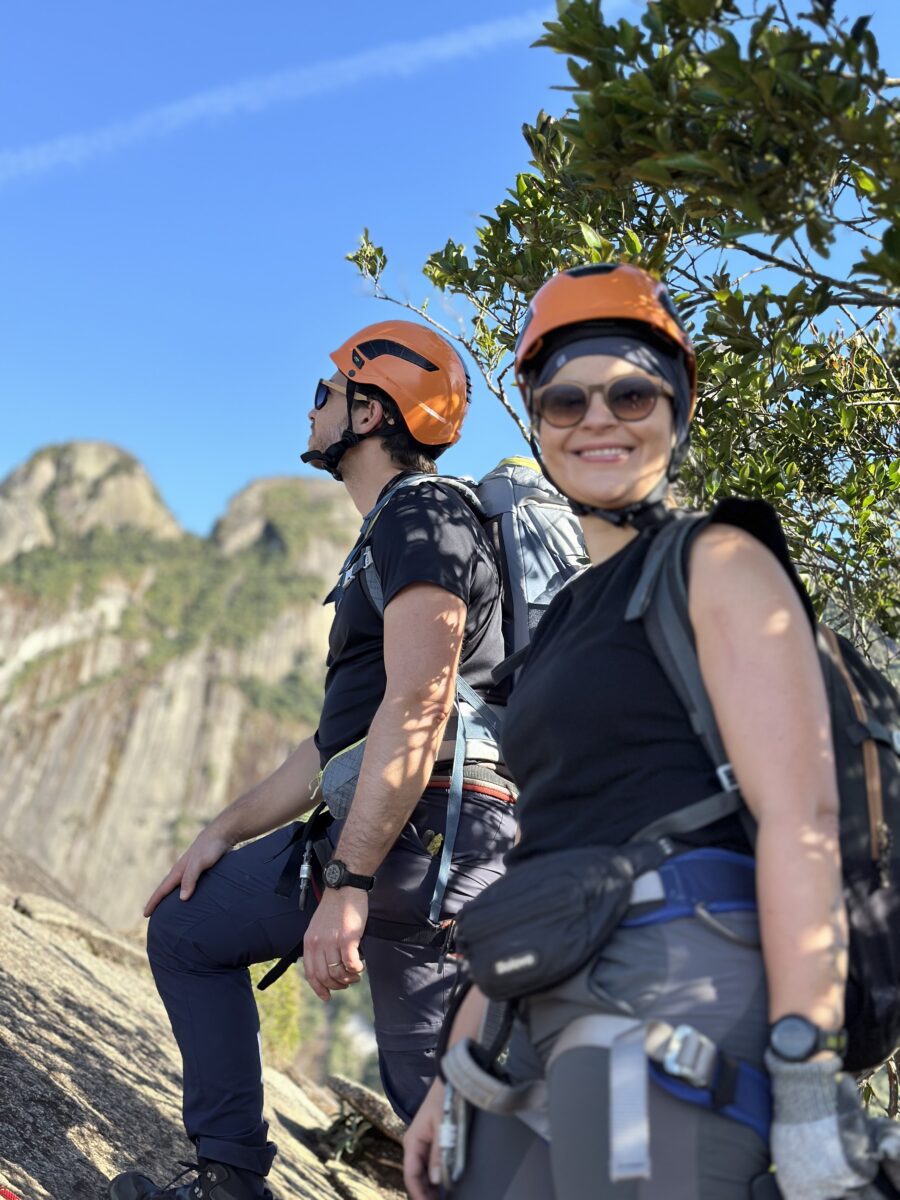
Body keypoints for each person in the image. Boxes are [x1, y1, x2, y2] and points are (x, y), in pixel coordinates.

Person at [404, 264, 865, 1200]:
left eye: (631, 392)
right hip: (544, 994)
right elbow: (551, 847)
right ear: (535, 416)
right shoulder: (568, 615)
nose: (598, 418)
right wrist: (453, 1069)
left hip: (664, 984)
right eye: (566, 398)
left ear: (677, 406)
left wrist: (808, 1068)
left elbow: (801, 817)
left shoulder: (716, 560)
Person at [108, 319, 516, 1200]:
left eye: (328, 392)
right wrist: (219, 830)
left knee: (186, 934)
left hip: (417, 840)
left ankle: (230, 1179)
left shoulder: (422, 514)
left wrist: (349, 883)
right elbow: (332, 746)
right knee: (441, 1119)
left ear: (373, 411)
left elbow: (420, 701)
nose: (313, 404)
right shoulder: (398, 531)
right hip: (445, 840)